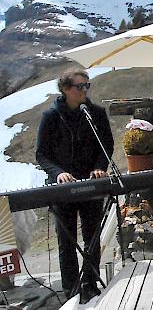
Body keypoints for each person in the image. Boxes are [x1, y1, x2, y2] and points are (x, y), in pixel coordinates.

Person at [36, 69, 114, 300]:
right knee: (66, 239)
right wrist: (59, 173)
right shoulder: (50, 117)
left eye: (86, 86)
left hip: (91, 183)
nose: (84, 90)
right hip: (63, 186)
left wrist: (100, 168)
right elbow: (42, 154)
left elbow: (106, 146)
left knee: (92, 237)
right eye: (80, 86)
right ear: (66, 89)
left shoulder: (95, 113)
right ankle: (71, 288)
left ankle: (91, 283)